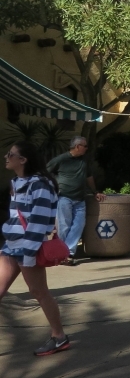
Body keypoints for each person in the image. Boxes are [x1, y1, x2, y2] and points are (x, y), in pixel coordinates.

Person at [0, 141, 69, 356]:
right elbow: (15, 218)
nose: (6, 157)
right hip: (11, 246)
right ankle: (59, 337)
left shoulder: (39, 185)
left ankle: (59, 337)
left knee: (39, 293)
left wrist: (28, 254)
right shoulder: (18, 182)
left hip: (27, 248)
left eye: (10, 154)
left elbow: (38, 223)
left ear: (23, 160)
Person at [47, 136, 105, 265]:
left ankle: (68, 252)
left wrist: (95, 191)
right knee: (64, 226)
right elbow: (46, 172)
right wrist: (52, 186)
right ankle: (62, 254)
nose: (86, 148)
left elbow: (89, 176)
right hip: (64, 197)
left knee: (79, 224)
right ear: (77, 146)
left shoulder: (84, 161)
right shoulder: (61, 159)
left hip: (80, 198)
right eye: (85, 146)